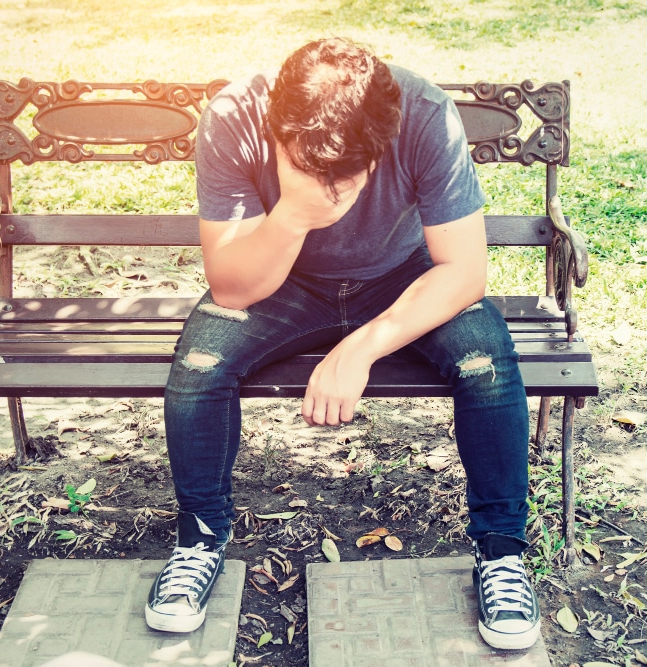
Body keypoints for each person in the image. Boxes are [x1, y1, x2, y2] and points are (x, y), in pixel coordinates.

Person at [144, 37, 541, 650]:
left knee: (485, 363)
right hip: (284, 280)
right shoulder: (235, 118)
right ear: (278, 128)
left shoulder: (424, 112)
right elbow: (229, 286)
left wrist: (363, 346)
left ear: (382, 142)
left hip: (404, 278)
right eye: (307, 164)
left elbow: (463, 271)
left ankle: (503, 555)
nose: (329, 186)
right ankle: (199, 539)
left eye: (347, 172)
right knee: (198, 365)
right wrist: (294, 214)